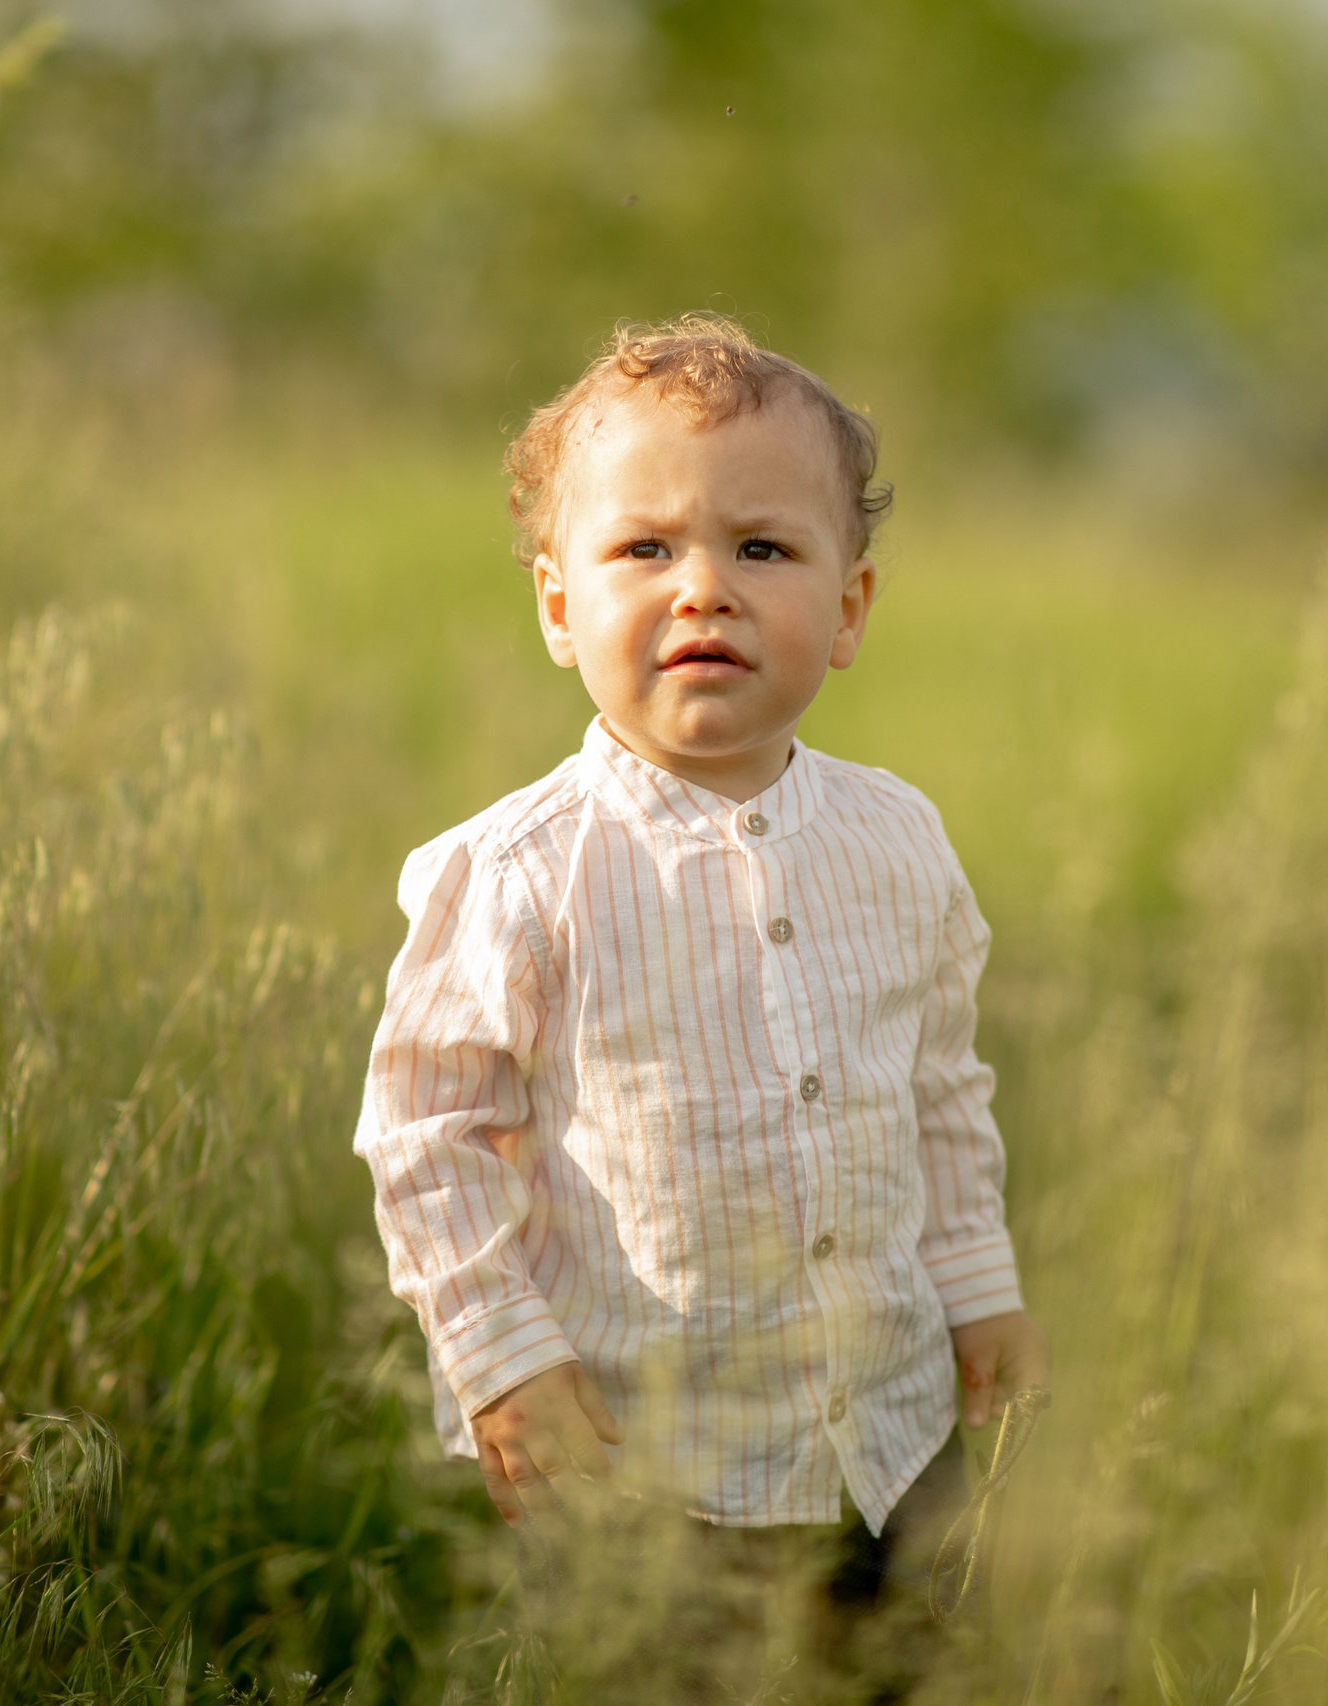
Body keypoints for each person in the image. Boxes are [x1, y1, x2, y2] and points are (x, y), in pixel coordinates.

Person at [354, 314, 1048, 1689]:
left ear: (848, 609)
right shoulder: (520, 872)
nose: (704, 591)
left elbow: (938, 1085)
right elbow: (426, 1137)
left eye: (764, 549)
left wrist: (978, 1288)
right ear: (559, 607)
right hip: (645, 1460)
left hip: (889, 1439)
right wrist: (501, 1357)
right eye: (644, 549)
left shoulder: (899, 840)